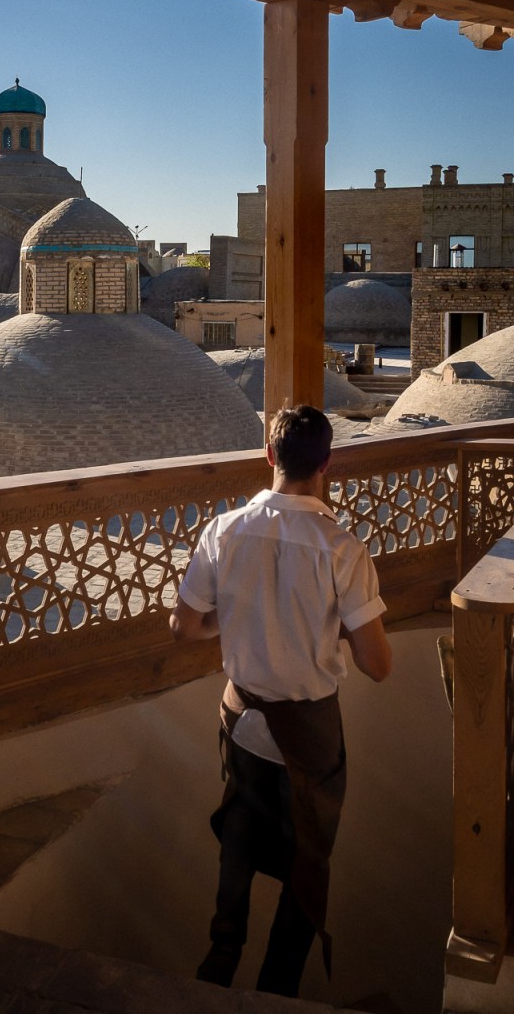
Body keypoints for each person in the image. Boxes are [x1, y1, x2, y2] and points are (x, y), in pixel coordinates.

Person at [170, 404, 391, 997]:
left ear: (269, 456)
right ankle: (276, 989)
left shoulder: (223, 530)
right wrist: (332, 618)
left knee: (242, 827)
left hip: (242, 723)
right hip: (308, 738)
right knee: (306, 864)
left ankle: (222, 951)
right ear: (327, 465)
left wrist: (239, 620)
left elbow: (185, 627)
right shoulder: (341, 548)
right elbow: (378, 666)